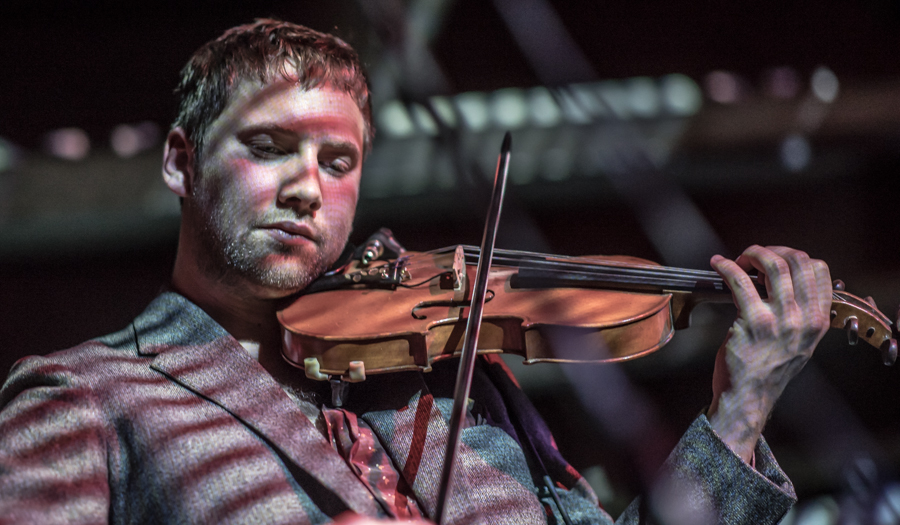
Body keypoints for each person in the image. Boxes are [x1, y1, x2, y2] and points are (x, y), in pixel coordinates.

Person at [0, 18, 834, 525]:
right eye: (268, 147)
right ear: (181, 163)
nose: (306, 186)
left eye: (338, 160)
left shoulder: (454, 381)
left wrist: (742, 409)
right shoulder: (87, 395)